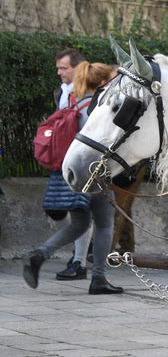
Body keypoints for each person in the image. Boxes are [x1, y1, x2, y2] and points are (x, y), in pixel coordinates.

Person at [24, 61, 122, 294]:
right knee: (105, 224)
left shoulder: (73, 104)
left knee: (79, 223)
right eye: (112, 79)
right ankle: (98, 279)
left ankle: (41, 254)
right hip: (94, 174)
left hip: (72, 173)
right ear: (102, 83)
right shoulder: (96, 108)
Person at [48, 48, 91, 280]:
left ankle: (80, 260)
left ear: (78, 67)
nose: (59, 72)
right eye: (58, 68)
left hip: (83, 160)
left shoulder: (89, 93)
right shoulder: (64, 92)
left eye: (63, 68)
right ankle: (81, 252)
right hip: (64, 158)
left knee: (81, 212)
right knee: (58, 209)